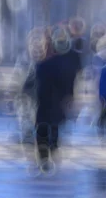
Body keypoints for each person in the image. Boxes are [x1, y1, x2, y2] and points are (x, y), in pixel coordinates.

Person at [33, 26, 81, 171]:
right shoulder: (59, 64)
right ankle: (50, 152)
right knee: (53, 126)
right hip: (53, 101)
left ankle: (44, 155)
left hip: (44, 100)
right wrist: (69, 97)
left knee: (43, 128)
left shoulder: (42, 64)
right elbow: (67, 83)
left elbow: (34, 82)